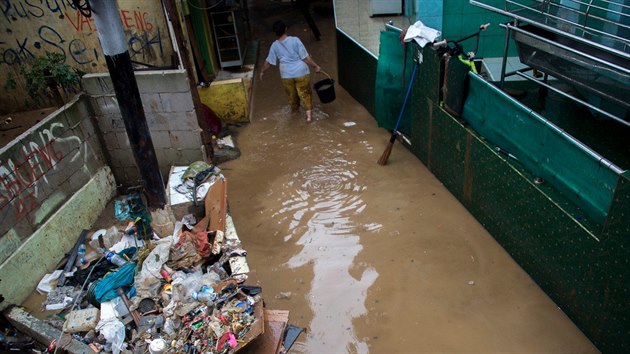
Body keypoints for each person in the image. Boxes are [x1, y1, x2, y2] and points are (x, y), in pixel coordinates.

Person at [259, 20, 321, 123]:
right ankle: (309, 117)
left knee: (292, 96)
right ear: (286, 29)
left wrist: (262, 72)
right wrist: (316, 66)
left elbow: (268, 62)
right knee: (305, 94)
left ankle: (295, 114)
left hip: (286, 75)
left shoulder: (274, 45)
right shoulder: (295, 40)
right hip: (301, 73)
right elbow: (305, 57)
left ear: (275, 32)